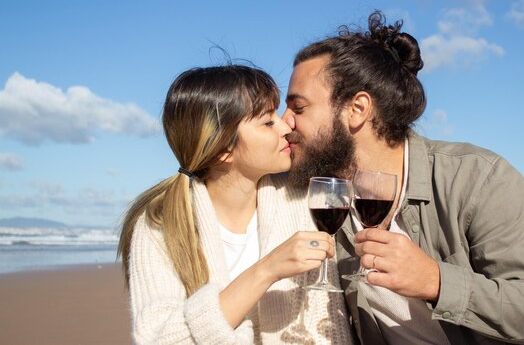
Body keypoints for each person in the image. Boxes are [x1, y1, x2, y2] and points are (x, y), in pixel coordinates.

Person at [281, 12, 524, 344]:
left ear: (357, 109)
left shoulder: (477, 179)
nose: (284, 121)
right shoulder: (327, 196)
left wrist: (435, 281)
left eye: (298, 108)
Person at [117, 65, 354, 344]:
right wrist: (267, 270)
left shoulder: (307, 198)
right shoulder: (160, 225)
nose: (285, 125)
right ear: (223, 149)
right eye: (268, 122)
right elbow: (159, 340)